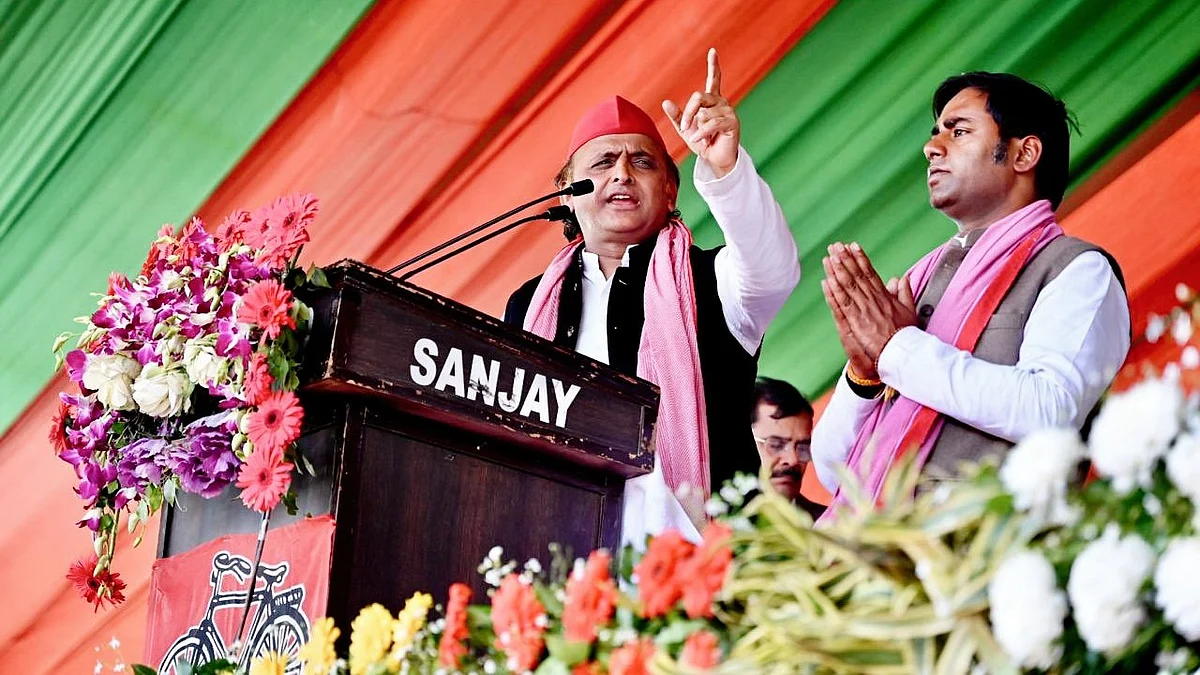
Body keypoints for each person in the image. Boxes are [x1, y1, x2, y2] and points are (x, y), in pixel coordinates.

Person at [505, 50, 799, 545]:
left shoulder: (713, 279)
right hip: (569, 572)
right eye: (602, 162)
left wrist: (726, 169)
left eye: (641, 161)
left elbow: (773, 270)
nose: (622, 172)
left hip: (707, 570)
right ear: (567, 194)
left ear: (668, 190)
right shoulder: (528, 304)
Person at [811, 72, 1130, 512]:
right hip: (867, 557)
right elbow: (832, 471)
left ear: (1024, 153)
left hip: (979, 563)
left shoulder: (1077, 269)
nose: (932, 147)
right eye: (936, 133)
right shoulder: (920, 281)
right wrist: (865, 374)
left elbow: (1049, 410)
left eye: (958, 131)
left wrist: (898, 349)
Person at [751, 377, 825, 520]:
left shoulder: (834, 528)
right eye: (776, 445)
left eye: (803, 448)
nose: (793, 460)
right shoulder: (709, 524)